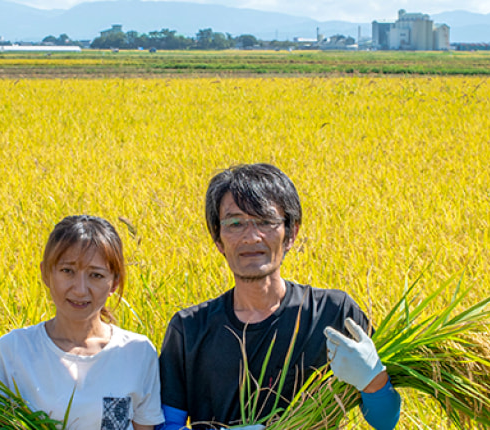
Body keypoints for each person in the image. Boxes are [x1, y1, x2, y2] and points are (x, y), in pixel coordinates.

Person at [157, 164, 401, 430]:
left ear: (291, 233)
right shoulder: (189, 329)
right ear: (218, 239)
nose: (251, 237)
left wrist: (373, 380)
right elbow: (167, 425)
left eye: (265, 222)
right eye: (235, 223)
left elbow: (385, 421)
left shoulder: (333, 315)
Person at [0, 215, 165, 430]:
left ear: (114, 282)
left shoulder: (137, 353)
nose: (80, 289)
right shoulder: (12, 352)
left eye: (96, 275)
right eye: (68, 271)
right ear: (46, 274)